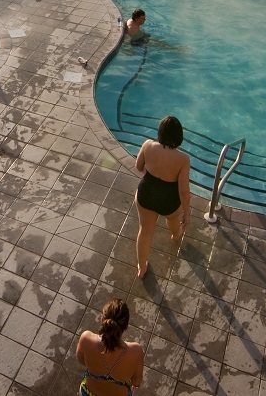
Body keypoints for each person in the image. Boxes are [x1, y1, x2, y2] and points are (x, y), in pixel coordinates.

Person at [134, 115, 191, 279]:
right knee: (173, 219)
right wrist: (187, 213)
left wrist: (152, 179)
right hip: (169, 200)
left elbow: (139, 167)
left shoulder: (148, 145)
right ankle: (175, 235)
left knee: (144, 231)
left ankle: (142, 267)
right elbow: (184, 191)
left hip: (146, 193)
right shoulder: (183, 159)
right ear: (179, 136)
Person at [76, 299, 144, 396]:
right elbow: (136, 382)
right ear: (126, 327)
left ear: (102, 320)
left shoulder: (86, 339)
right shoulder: (136, 351)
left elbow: (81, 361)